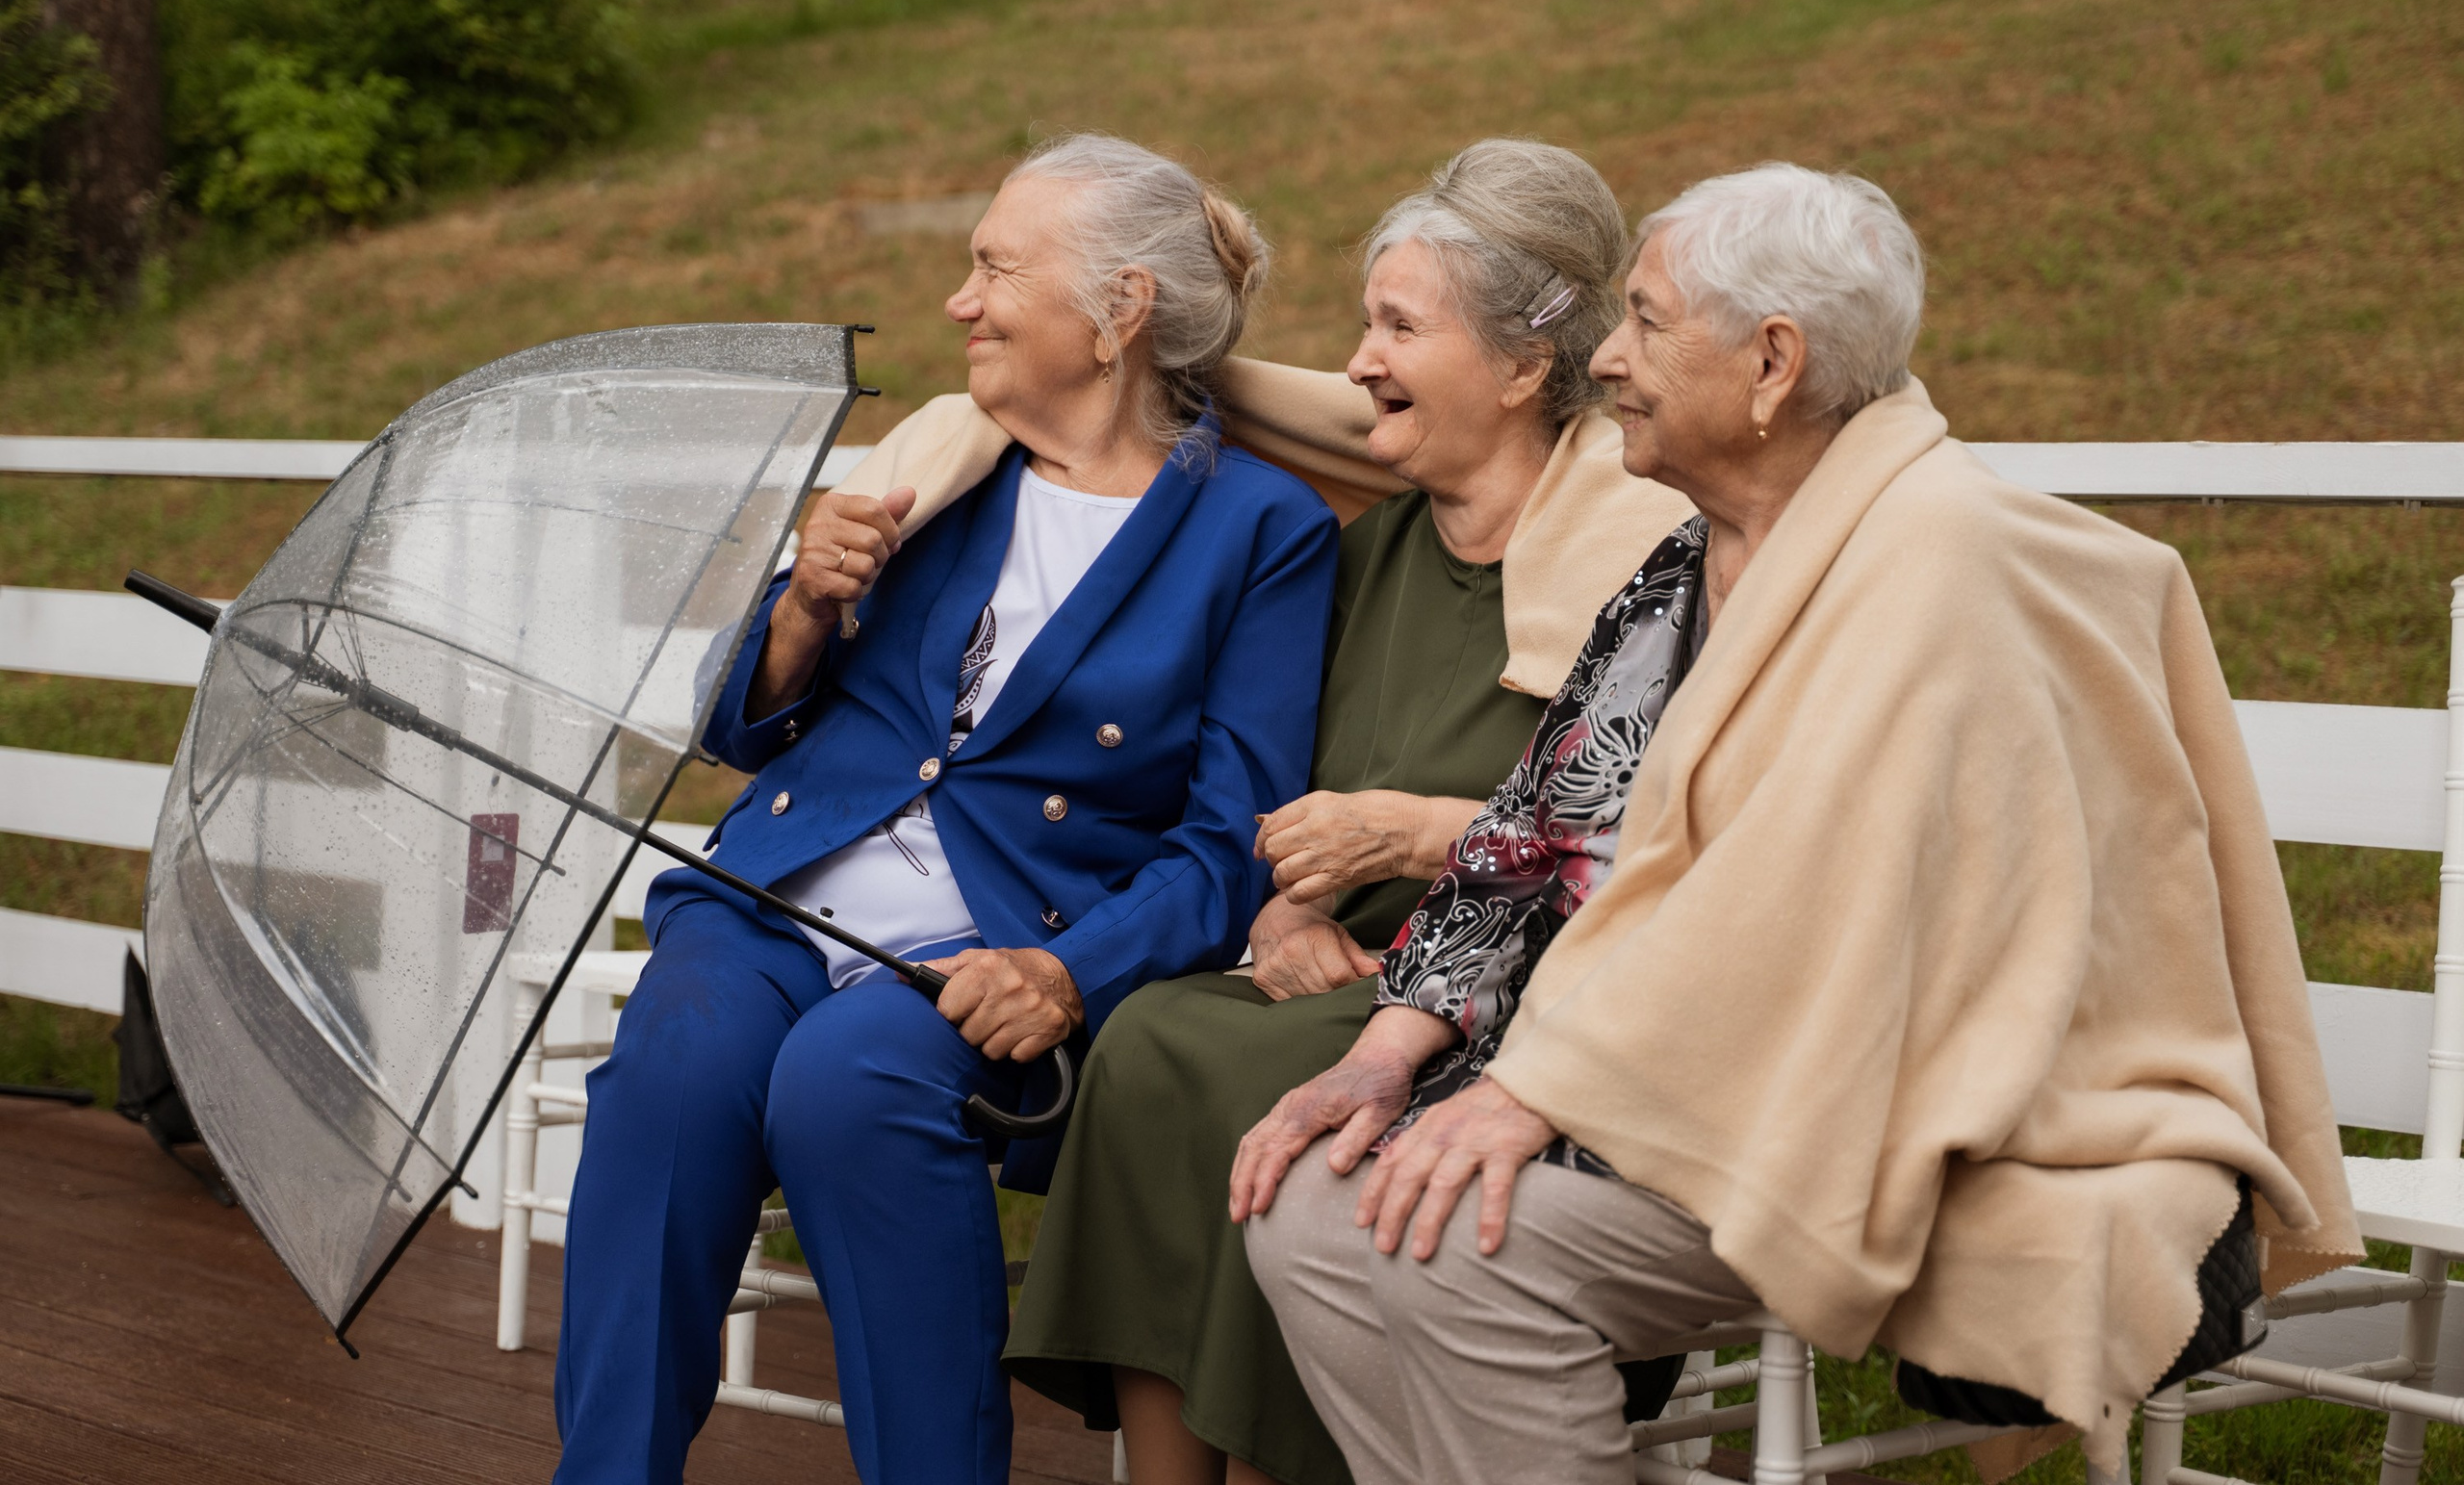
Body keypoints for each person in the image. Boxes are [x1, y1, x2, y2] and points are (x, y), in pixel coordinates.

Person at [1234, 163, 2363, 1485]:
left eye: (1647, 321)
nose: (1606, 357)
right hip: (1639, 1085)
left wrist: (1533, 1094)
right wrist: (1390, 1049)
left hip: (1832, 1112)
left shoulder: (1935, 563)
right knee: (1307, 1212)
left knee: (1447, 1250)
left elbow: (1799, 900)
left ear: (1773, 363)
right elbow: (1533, 825)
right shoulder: (1681, 563)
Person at [552, 135, 1340, 1485]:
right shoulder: (942, 466)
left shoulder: (1260, 529)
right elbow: (743, 727)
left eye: (994, 270)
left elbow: (1228, 845)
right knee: (675, 1069)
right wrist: (803, 605)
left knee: (850, 1084)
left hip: (995, 945)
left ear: (1119, 312)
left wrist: (1064, 971)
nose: (959, 303)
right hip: (774, 902)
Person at [1003, 140, 1694, 1485]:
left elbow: (1654, 838)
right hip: (1336, 971)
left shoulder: (1638, 572)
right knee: (1150, 1039)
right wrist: (1283, 908)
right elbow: (1278, 801)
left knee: (1252, 1084)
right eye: (1364, 324)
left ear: (1518, 368)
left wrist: (1417, 839)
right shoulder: (1367, 550)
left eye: (1397, 327)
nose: (1361, 361)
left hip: (1523, 1003)